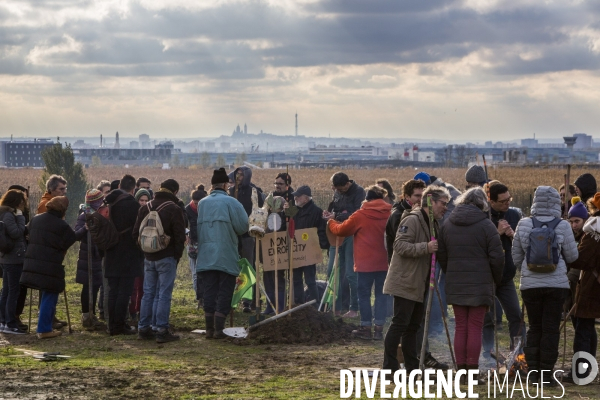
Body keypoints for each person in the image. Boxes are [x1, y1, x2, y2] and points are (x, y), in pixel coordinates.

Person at [512, 186, 579, 385]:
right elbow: (573, 256)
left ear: (535, 201)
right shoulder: (563, 225)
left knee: (534, 327)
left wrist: (528, 269)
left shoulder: (524, 224)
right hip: (556, 285)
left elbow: (516, 256)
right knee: (551, 329)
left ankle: (533, 374)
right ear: (556, 203)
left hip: (530, 286)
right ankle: (547, 375)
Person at [382, 185, 450, 373]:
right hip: (405, 280)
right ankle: (390, 367)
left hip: (420, 283)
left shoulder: (433, 223)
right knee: (400, 324)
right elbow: (400, 246)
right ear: (431, 202)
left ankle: (412, 367)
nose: (445, 207)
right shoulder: (412, 219)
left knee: (412, 328)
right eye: (443, 203)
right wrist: (425, 248)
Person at [438, 188, 504, 379]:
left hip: (456, 282)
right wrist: (495, 279)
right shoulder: (487, 226)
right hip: (480, 283)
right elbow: (497, 257)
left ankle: (461, 370)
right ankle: (472, 370)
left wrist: (451, 271)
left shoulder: (447, 224)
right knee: (475, 325)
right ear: (482, 203)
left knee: (461, 326)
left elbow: (442, 255)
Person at [328, 185, 391, 340]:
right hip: (385, 262)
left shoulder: (361, 215)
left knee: (363, 295)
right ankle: (378, 330)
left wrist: (330, 222)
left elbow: (341, 230)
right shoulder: (390, 213)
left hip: (365, 264)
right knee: (381, 296)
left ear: (367, 199)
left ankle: (365, 327)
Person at [197, 168, 249, 339]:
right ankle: (219, 329)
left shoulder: (202, 203)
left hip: (206, 255)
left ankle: (209, 329)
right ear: (226, 185)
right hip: (226, 254)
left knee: (209, 291)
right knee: (225, 291)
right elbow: (243, 227)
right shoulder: (232, 203)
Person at [135, 179, 186, 343]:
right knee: (164, 293)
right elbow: (179, 237)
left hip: (148, 256)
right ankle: (161, 329)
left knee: (148, 293)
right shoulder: (174, 209)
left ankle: (143, 328)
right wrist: (177, 256)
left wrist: (145, 250)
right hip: (167, 256)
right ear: (175, 192)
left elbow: (135, 233)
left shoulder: (145, 207)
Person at [20, 196, 77, 339]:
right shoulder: (61, 225)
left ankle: (45, 326)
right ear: (63, 210)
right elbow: (71, 239)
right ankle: (44, 329)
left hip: (32, 263)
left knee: (47, 294)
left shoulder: (36, 219)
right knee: (50, 294)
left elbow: (25, 233)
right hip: (50, 265)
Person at [482, 181, 523, 363]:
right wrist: (496, 233)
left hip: (506, 276)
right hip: (487, 276)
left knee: (516, 314)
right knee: (487, 318)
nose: (507, 204)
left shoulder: (514, 214)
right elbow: (480, 247)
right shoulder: (483, 217)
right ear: (491, 202)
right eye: (503, 201)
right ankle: (488, 352)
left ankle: (519, 352)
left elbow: (522, 244)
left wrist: (513, 235)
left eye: (509, 199)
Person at [563, 193, 600, 383]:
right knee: (587, 327)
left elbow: (581, 259)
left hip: (593, 287)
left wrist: (567, 251)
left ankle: (582, 373)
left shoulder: (595, 230)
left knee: (583, 329)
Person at [103, 175, 144, 336]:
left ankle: (112, 325)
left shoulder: (108, 201)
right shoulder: (133, 205)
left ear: (119, 185)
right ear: (133, 188)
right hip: (128, 252)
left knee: (113, 290)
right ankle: (120, 325)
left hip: (111, 250)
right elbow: (137, 229)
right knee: (124, 291)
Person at [323, 172, 365, 317]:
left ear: (347, 184)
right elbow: (335, 208)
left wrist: (337, 216)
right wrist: (330, 214)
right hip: (336, 232)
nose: (338, 191)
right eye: (336, 189)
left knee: (351, 273)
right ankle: (336, 306)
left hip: (352, 235)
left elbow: (357, 214)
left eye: (340, 189)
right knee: (332, 271)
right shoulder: (337, 193)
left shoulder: (359, 193)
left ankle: (354, 308)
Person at [229, 165, 264, 313]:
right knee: (232, 267)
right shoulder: (231, 192)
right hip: (233, 235)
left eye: (241, 175)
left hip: (249, 236)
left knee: (249, 267)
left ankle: (249, 300)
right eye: (237, 174)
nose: (238, 177)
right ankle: (232, 299)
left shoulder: (254, 192)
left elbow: (260, 212)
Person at [74, 189, 106, 331]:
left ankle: (92, 314)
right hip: (88, 256)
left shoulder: (99, 214)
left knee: (96, 285)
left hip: (97, 255)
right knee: (88, 286)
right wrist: (85, 229)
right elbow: (77, 234)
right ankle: (87, 315)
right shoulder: (84, 215)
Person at [291, 185, 329, 305]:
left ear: (306, 198)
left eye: (298, 196)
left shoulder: (317, 212)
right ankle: (299, 304)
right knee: (296, 279)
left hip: (309, 251)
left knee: (310, 280)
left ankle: (314, 305)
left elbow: (322, 231)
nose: (295, 198)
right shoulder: (293, 209)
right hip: (296, 251)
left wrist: (321, 245)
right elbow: (283, 221)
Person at [263, 172, 294, 314]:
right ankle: (270, 305)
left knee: (279, 278)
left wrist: (288, 211)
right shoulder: (269, 199)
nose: (277, 186)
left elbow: (294, 220)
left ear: (287, 185)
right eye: (276, 184)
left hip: (281, 247)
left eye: (280, 184)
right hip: (268, 245)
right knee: (268, 277)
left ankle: (280, 306)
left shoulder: (292, 200)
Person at [0, 190, 28, 334]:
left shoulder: (4, 214)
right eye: (22, 202)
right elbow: (17, 233)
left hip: (7, 258)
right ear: (17, 202)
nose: (24, 205)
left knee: (6, 291)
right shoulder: (9, 216)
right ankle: (10, 323)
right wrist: (21, 218)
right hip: (14, 258)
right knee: (12, 291)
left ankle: (3, 321)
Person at [386, 179, 427, 263]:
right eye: (417, 196)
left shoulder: (423, 211)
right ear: (407, 196)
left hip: (417, 260)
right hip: (401, 263)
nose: (420, 199)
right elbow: (401, 239)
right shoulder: (397, 214)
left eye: (423, 196)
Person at [127, 188, 152, 324]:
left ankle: (141, 311)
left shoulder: (151, 214)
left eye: (146, 200)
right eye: (141, 200)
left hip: (146, 254)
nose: (143, 203)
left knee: (144, 285)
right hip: (134, 254)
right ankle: (132, 312)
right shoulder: (132, 214)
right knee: (134, 286)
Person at [565, 197, 588, 323]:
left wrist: (570, 276)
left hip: (581, 283)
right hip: (571, 282)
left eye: (577, 221)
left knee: (582, 322)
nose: (574, 225)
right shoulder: (570, 235)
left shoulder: (588, 237)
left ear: (585, 220)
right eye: (571, 221)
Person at [185, 185, 207, 308]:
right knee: (195, 273)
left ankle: (204, 297)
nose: (198, 206)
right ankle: (199, 298)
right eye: (195, 203)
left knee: (204, 272)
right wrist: (186, 234)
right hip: (192, 243)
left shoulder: (208, 209)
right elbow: (183, 224)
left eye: (200, 204)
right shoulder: (187, 209)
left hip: (205, 243)